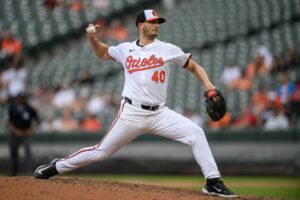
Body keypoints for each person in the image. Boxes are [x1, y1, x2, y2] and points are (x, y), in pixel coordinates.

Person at [34, 9, 237, 198]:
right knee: (101, 152)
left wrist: (209, 86)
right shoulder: (125, 49)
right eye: (152, 22)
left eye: (158, 22)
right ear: (140, 25)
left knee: (196, 133)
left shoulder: (168, 49)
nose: (157, 25)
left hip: (160, 114)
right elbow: (103, 53)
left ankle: (212, 181)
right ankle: (57, 166)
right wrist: (92, 38)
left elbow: (194, 66)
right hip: (131, 112)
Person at [7, 93, 40, 176]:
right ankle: (13, 173)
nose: (20, 100)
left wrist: (31, 129)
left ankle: (29, 173)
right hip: (15, 133)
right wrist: (16, 131)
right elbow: (8, 123)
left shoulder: (29, 108)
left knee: (28, 153)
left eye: (22, 98)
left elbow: (38, 121)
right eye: (19, 98)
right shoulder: (12, 108)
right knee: (13, 152)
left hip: (26, 132)